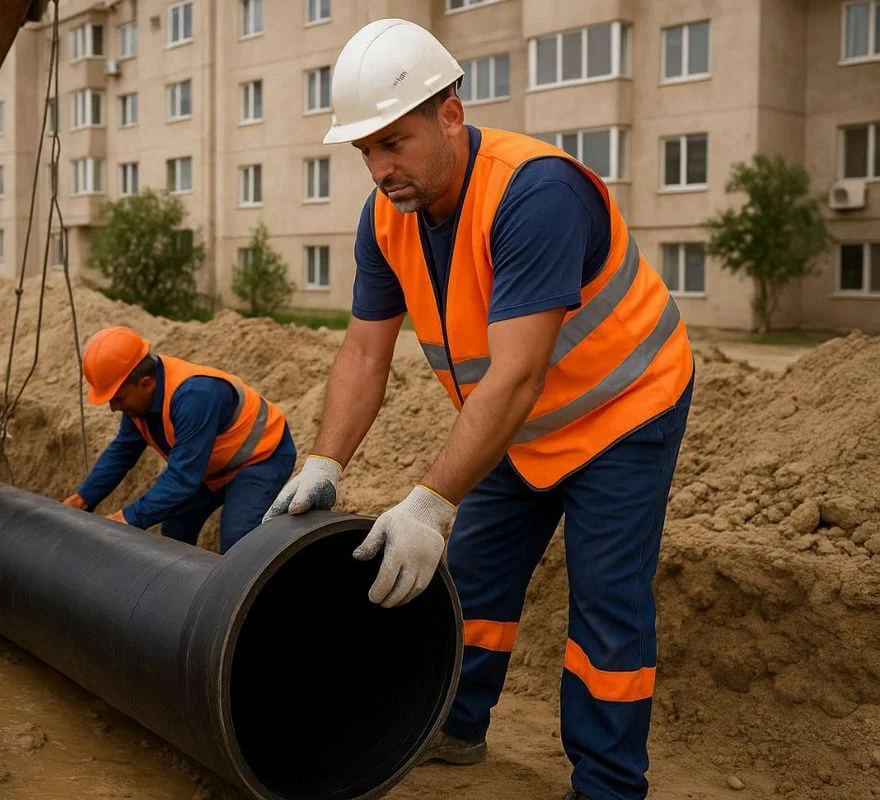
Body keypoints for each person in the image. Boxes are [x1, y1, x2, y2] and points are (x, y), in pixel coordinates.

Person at [263, 18, 694, 800]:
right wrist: (325, 460)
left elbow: (520, 372)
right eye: (364, 151)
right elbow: (365, 353)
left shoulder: (536, 194)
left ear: (451, 114)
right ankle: (455, 726)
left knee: (606, 605)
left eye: (393, 142)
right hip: (517, 422)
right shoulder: (388, 221)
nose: (379, 169)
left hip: (622, 413)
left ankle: (607, 784)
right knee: (475, 580)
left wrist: (428, 502)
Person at [64, 326, 296, 552]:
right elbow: (122, 452)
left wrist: (126, 519)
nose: (114, 408)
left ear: (146, 384)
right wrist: (83, 498)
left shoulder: (194, 395)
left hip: (262, 458)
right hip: (212, 464)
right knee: (177, 526)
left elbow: (183, 479)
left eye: (119, 399)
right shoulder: (140, 401)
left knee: (238, 542)